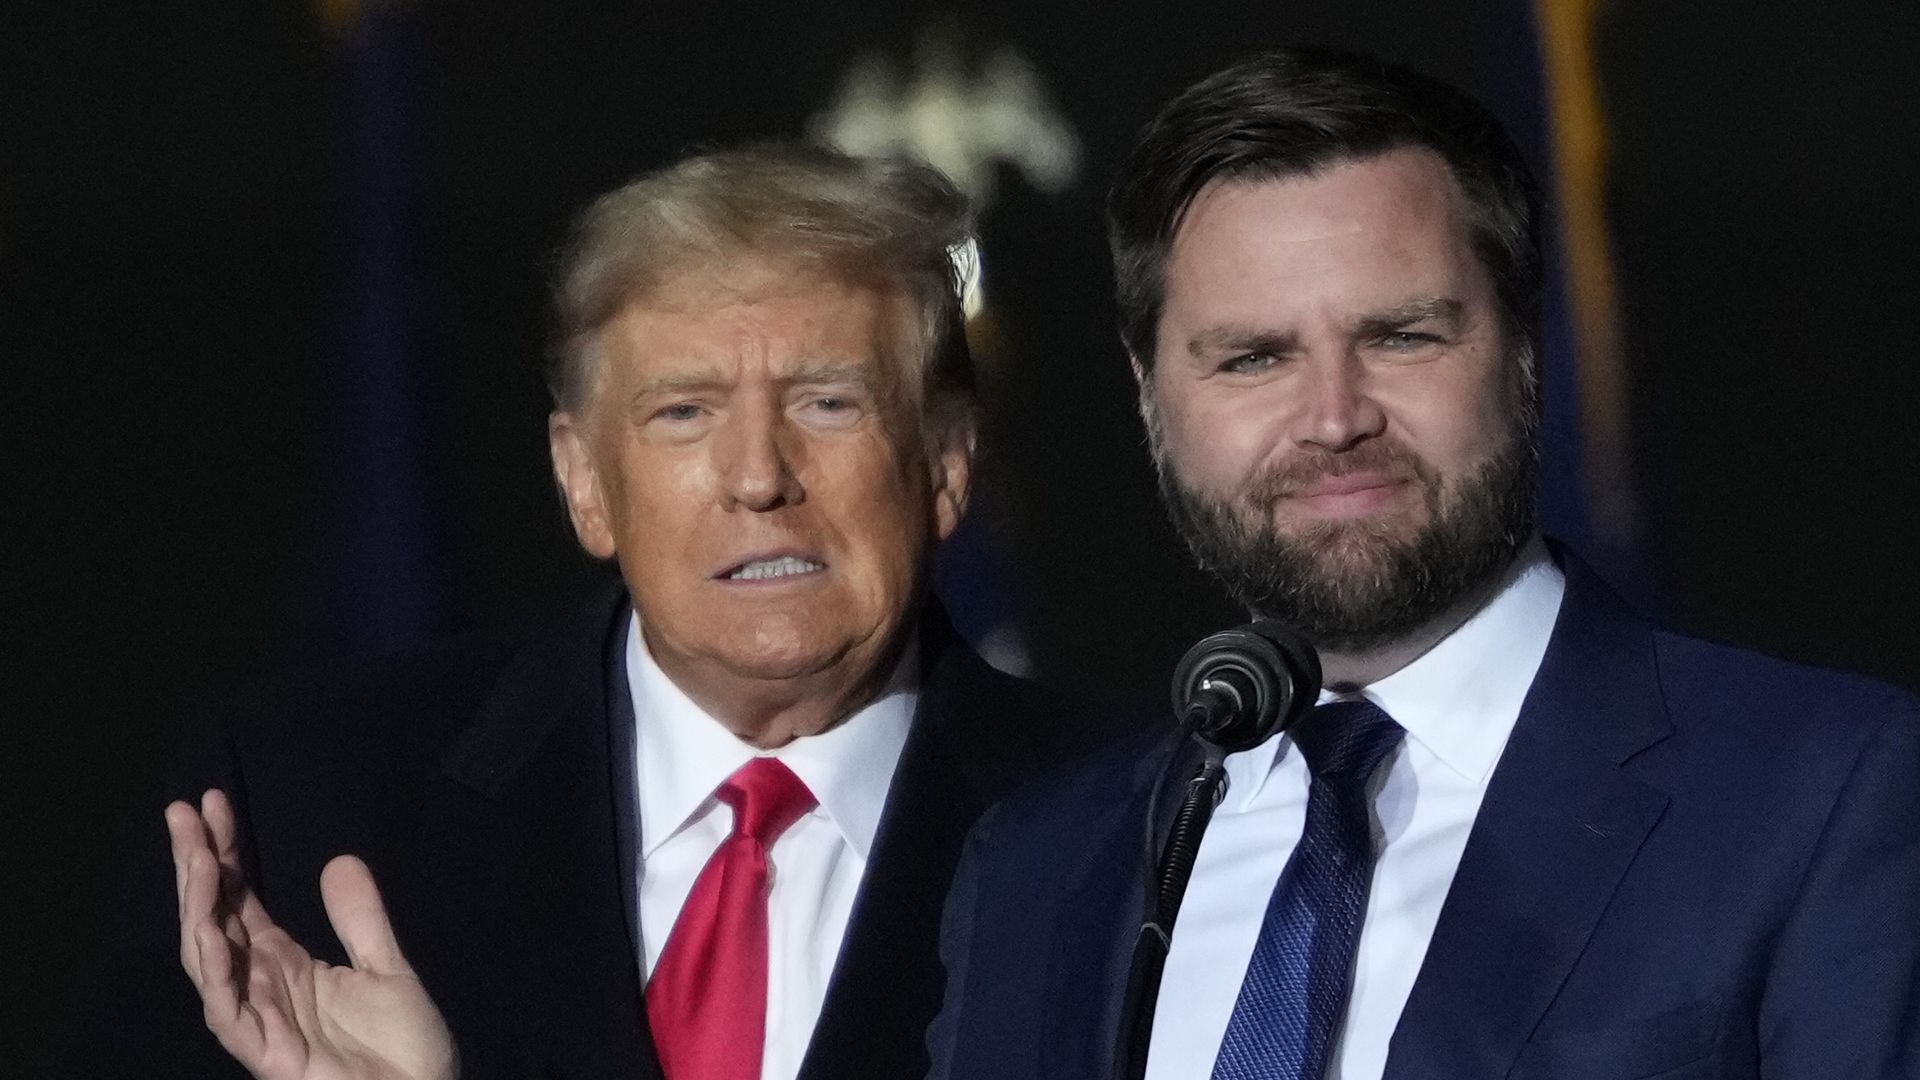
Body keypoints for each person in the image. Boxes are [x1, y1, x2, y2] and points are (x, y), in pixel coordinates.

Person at [928, 49, 1920, 1080]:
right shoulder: (1033, 871)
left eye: (1401, 337)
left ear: (1527, 348)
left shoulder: (1823, 795)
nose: (1334, 419)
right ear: (1148, 395)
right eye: (1254, 358)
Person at [71, 144, 1078, 1080]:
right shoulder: (298, 807)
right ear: (584, 480)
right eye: (684, 412)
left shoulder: (1128, 835)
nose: (760, 478)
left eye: (827, 401)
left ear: (946, 465)